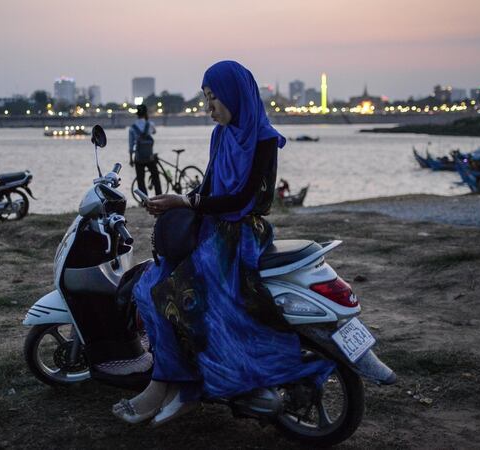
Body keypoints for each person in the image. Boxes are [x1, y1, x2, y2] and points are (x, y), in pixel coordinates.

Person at [112, 61, 333, 425]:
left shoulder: (263, 139)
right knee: (150, 287)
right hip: (211, 228)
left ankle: (186, 386)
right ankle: (166, 380)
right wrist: (182, 198)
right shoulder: (220, 136)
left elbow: (243, 199)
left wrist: (187, 203)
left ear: (235, 95)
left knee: (180, 296)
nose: (209, 107)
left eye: (214, 98)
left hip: (240, 235)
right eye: (206, 98)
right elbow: (211, 187)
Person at [129, 104, 162, 196]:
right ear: (145, 113)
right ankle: (159, 196)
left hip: (138, 158)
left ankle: (145, 201)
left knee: (140, 180)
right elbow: (154, 132)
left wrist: (131, 159)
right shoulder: (150, 124)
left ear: (137, 114)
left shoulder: (132, 128)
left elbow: (131, 145)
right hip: (150, 157)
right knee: (155, 177)